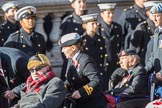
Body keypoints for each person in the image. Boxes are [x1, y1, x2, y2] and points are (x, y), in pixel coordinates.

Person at [59, 33, 107, 108]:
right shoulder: (71, 60)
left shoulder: (84, 60)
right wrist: (59, 87)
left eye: (64, 48)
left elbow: (97, 80)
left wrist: (81, 92)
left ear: (73, 48)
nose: (62, 51)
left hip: (92, 104)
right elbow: (70, 81)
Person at [97, 3, 123, 90]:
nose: (111, 15)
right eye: (108, 13)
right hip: (104, 65)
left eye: (112, 12)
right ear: (102, 14)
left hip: (115, 63)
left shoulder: (117, 27)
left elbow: (120, 45)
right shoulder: (98, 28)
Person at [60, 0, 87, 81]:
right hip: (73, 60)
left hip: (86, 60)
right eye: (79, 2)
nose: (82, 4)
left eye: (84, 1)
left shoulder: (89, 20)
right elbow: (64, 43)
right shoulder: (68, 21)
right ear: (73, 5)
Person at [80, 13, 106, 90]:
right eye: (92, 24)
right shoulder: (81, 41)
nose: (95, 26)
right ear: (85, 25)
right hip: (87, 76)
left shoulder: (100, 39)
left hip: (99, 73)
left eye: (96, 24)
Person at [129, 1, 159, 65]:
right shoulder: (142, 28)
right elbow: (134, 53)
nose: (155, 16)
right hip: (146, 67)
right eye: (153, 13)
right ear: (148, 13)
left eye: (158, 14)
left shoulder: (160, 27)